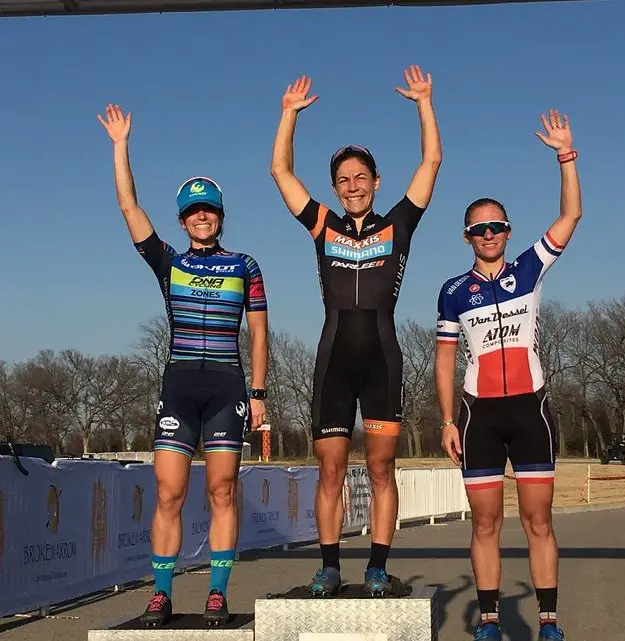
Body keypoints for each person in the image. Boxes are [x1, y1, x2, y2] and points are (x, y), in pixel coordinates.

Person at [270, 66, 442, 597]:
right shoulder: (323, 222)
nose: (353, 186)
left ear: (376, 182)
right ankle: (328, 566)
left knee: (384, 468)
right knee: (330, 471)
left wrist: (423, 103)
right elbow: (279, 171)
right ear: (335, 188)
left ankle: (376, 567)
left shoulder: (400, 223)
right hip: (333, 359)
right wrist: (288, 115)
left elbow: (431, 161)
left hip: (383, 357)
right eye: (343, 180)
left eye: (361, 177)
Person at [98, 104, 269, 627]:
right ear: (182, 220)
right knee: (169, 491)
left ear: (220, 215)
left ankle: (217, 592)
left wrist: (259, 395)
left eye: (210, 209)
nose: (202, 216)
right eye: (194, 211)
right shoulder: (170, 262)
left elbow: (259, 330)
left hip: (227, 386)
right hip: (179, 385)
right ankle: (161, 593)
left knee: (222, 490)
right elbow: (129, 208)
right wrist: (120, 145)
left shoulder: (245, 265)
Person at [434, 109, 581, 641]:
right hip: (480, 414)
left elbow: (571, 217)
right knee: (485, 523)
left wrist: (566, 156)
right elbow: (446, 358)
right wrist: (448, 418)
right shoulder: (453, 290)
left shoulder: (529, 267)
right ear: (467, 237)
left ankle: (547, 621)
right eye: (479, 229)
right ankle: (490, 620)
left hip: (530, 408)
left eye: (496, 226)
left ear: (508, 231)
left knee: (539, 520)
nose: (489, 234)